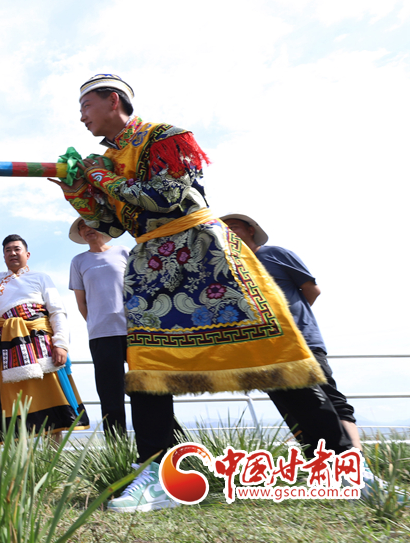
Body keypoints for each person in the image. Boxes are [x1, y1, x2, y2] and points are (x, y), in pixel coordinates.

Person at [52, 73, 352, 512]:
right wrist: (77, 190)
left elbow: (166, 197)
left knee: (275, 357)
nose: (81, 117)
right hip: (150, 264)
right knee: (149, 367)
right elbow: (112, 224)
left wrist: (101, 176)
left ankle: (340, 467)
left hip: (205, 254)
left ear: (113, 100)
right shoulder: (109, 159)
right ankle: (158, 472)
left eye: (85, 106)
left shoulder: (166, 137)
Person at [221, 213, 362, 452]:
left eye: (234, 226)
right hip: (262, 350)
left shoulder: (275, 254)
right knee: (291, 408)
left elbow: (311, 290)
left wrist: (290, 323)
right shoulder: (229, 268)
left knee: (329, 398)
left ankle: (355, 460)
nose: (229, 232)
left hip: (302, 340)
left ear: (251, 230)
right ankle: (320, 464)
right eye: (224, 229)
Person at [0, 234, 86, 436]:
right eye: (8, 250)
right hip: (9, 346)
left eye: (17, 249)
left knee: (52, 399)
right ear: (3, 256)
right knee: (14, 404)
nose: (12, 253)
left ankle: (53, 454)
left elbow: (57, 311)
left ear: (27, 254)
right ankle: (21, 456)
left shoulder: (41, 277)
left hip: (41, 344)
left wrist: (61, 344)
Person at [68, 217, 129, 438]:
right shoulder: (78, 261)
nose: (86, 229)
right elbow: (81, 303)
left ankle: (163, 444)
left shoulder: (123, 252)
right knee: (110, 394)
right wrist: (97, 322)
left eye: (89, 223)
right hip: (101, 334)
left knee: (148, 389)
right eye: (81, 227)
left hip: (133, 331)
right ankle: (117, 446)